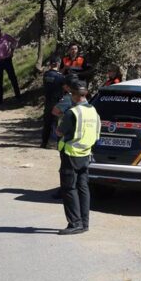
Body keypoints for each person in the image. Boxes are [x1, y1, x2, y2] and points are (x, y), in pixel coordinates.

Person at [56, 79, 101, 235]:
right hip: (86, 154)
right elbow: (96, 135)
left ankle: (75, 223)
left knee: (69, 188)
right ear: (86, 93)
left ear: (73, 95)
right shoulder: (93, 111)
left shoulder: (72, 112)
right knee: (83, 188)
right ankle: (84, 223)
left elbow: (59, 132)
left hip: (70, 154)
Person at [0, 24, 20, 104]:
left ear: (0, 30)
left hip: (7, 60)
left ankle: (18, 96)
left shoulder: (6, 37)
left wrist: (12, 51)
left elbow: (15, 42)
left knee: (12, 77)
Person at [41, 58, 65, 148]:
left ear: (50, 64)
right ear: (58, 64)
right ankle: (58, 144)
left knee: (47, 123)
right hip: (57, 103)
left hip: (48, 102)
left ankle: (44, 142)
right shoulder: (60, 76)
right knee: (57, 124)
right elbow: (65, 88)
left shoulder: (46, 74)